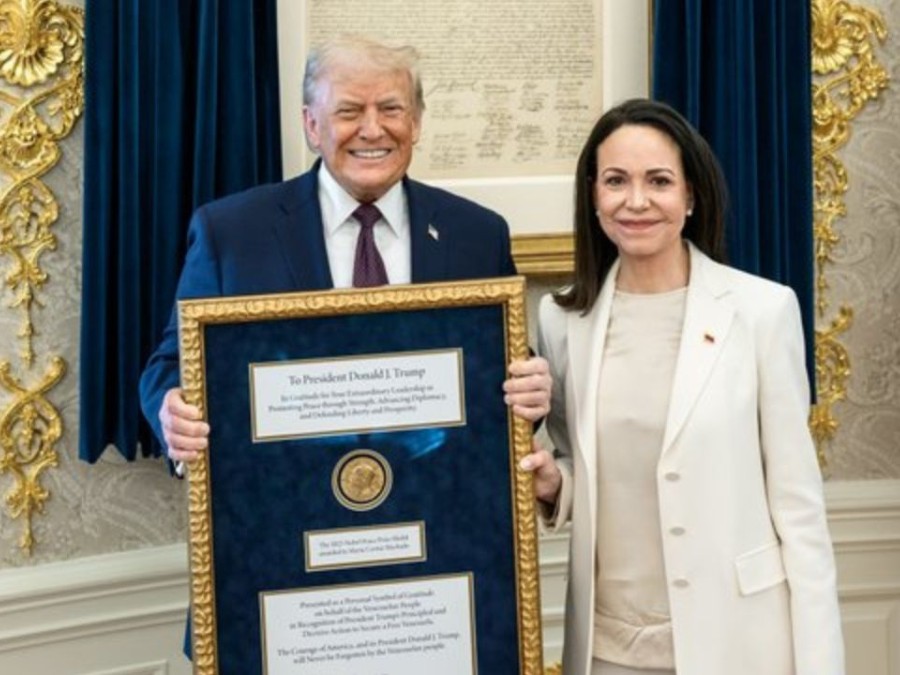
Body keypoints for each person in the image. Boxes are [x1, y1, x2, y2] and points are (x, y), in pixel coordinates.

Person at [520, 99, 844, 675]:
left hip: (738, 641)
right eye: (616, 181)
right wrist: (553, 485)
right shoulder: (562, 320)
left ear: (690, 196)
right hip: (606, 648)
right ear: (593, 196)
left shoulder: (762, 311)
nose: (636, 201)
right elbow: (582, 463)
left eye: (659, 181)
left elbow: (799, 508)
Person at [139, 34, 550, 463]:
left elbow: (504, 371)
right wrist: (172, 412)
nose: (372, 130)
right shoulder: (231, 234)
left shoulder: (477, 234)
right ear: (312, 125)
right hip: (285, 491)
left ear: (416, 122)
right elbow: (172, 365)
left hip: (437, 490)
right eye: (349, 111)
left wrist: (532, 392)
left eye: (391, 109)